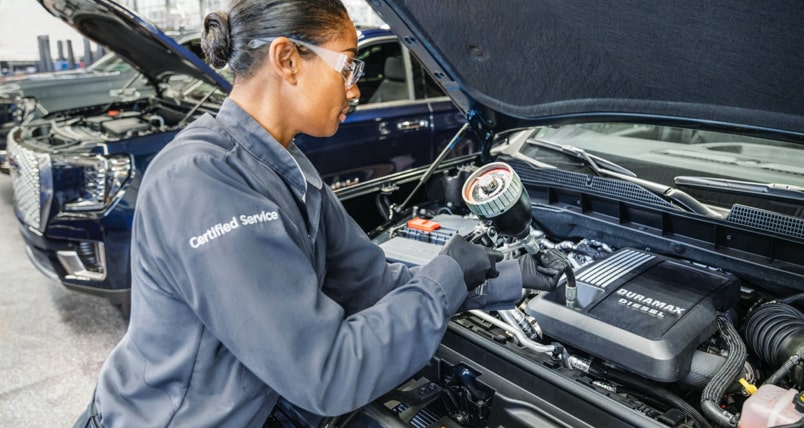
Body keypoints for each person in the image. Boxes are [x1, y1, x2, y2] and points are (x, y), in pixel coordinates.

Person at [72, 1, 566, 426]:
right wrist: (442, 280)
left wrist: (504, 277)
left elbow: (372, 282)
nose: (356, 89)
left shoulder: (286, 165)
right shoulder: (203, 181)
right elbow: (325, 373)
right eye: (349, 67)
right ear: (287, 59)